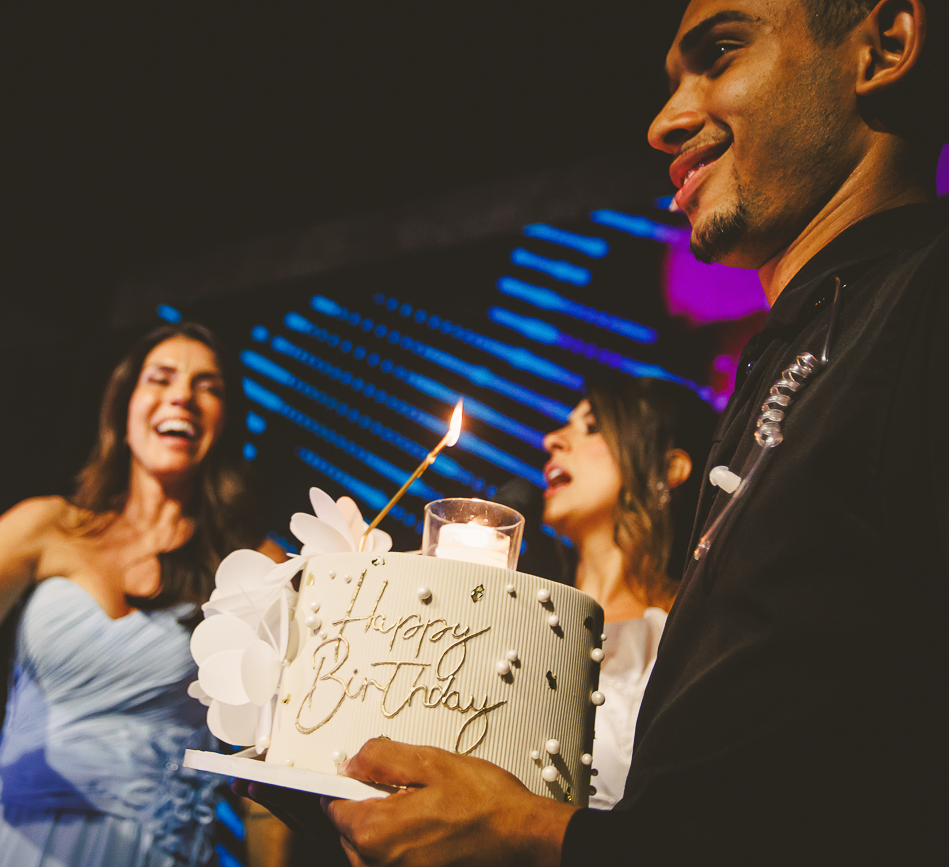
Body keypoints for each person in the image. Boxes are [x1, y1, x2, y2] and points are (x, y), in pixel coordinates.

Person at [246, 1, 948, 864]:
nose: (664, 122)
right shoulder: (796, 351)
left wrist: (538, 836)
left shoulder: (924, 306)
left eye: (721, 52)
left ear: (885, 44)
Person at [0, 321, 282, 866]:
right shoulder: (44, 526)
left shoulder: (257, 567)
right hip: (2, 841)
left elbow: (270, 773)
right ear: (123, 411)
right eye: (161, 378)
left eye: (208, 386)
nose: (182, 395)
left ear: (225, 422)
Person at [540, 376, 714, 808]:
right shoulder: (522, 611)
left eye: (592, 426)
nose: (551, 440)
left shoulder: (696, 631)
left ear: (668, 468)